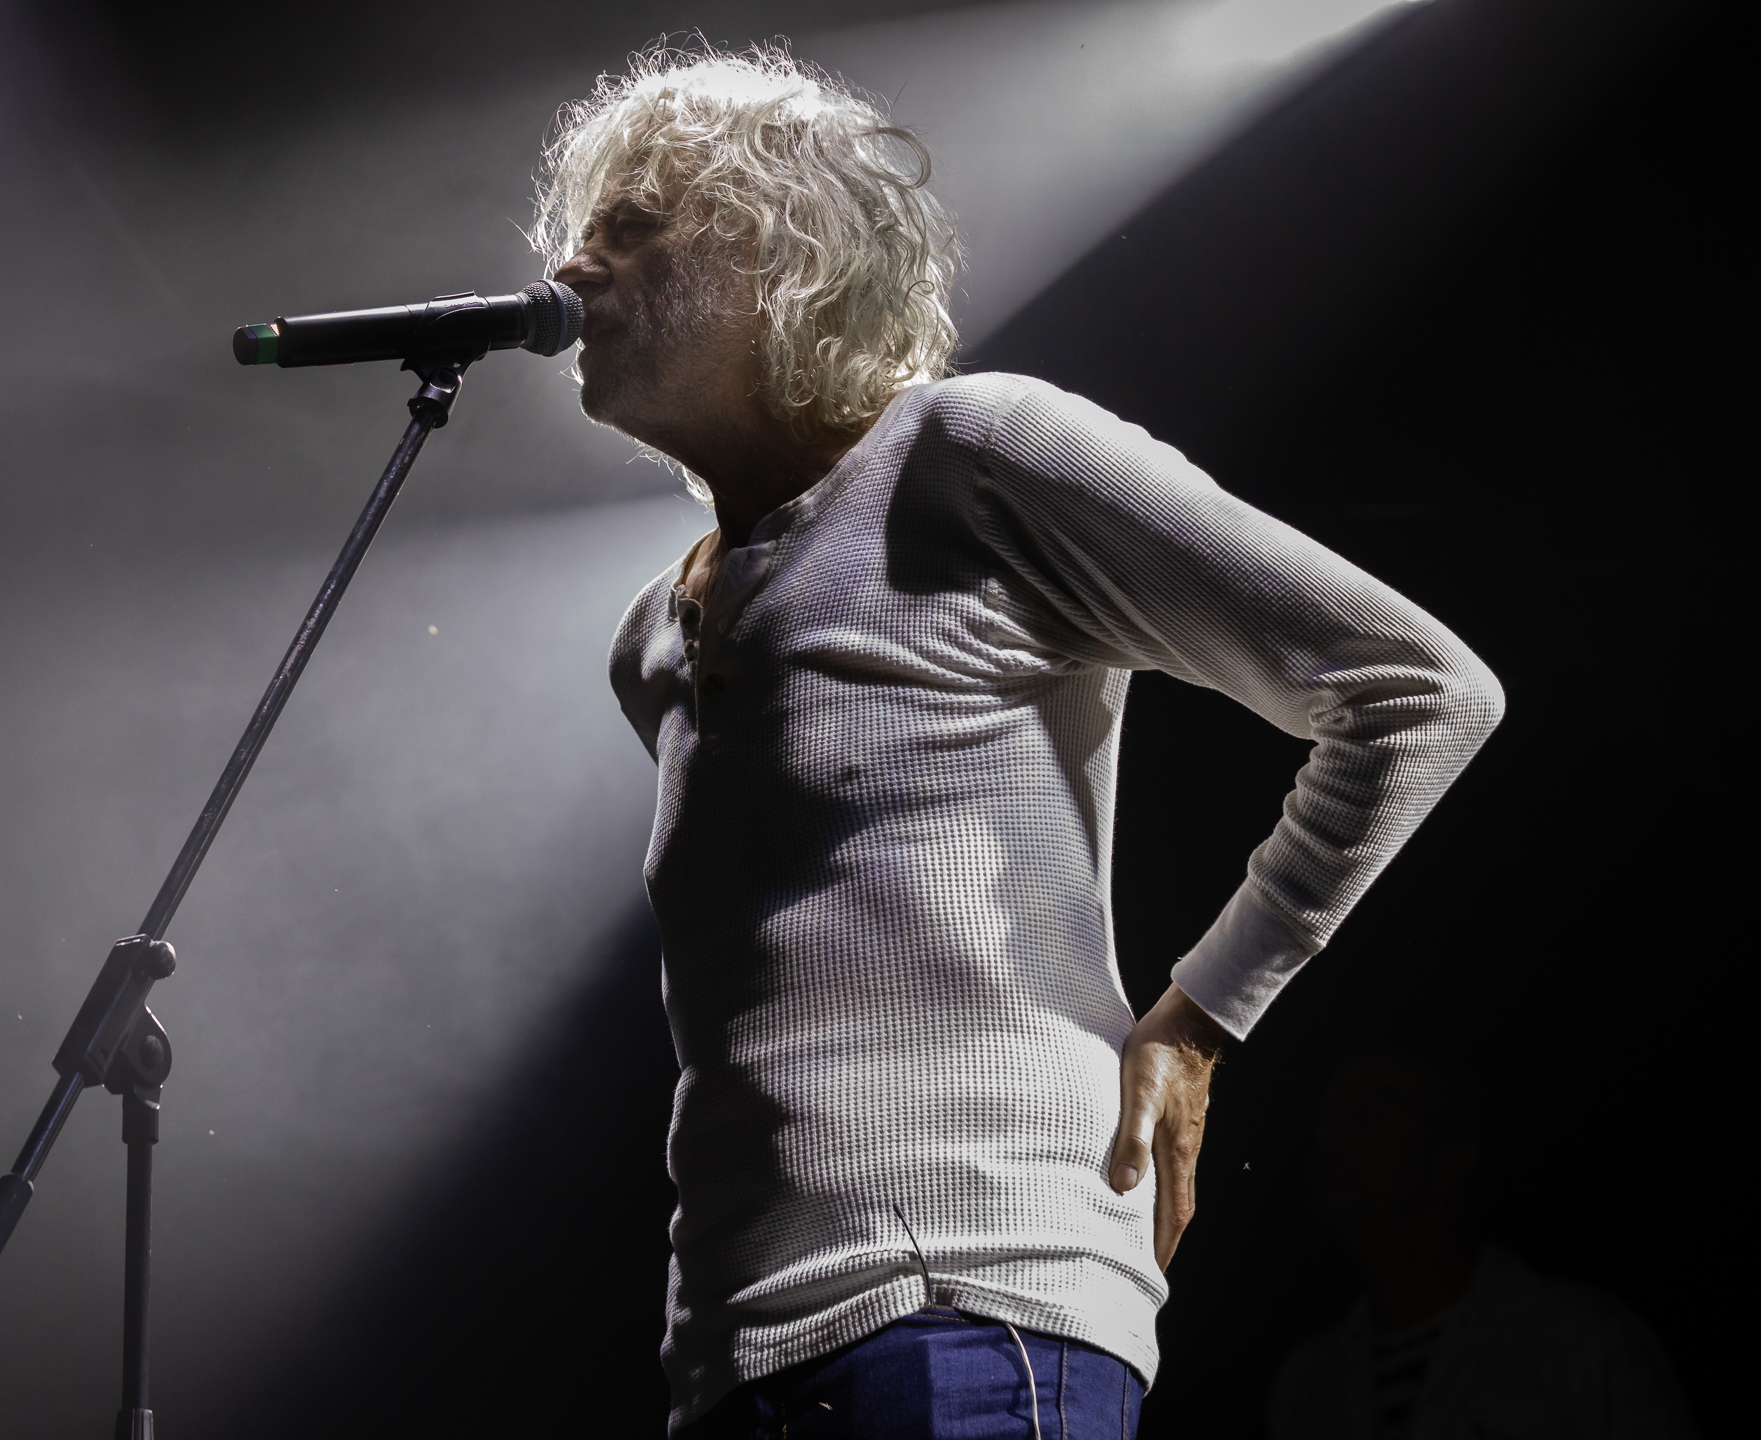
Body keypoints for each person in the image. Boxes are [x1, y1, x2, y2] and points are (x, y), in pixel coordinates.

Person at [535, 45, 1506, 1438]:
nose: (573, 268)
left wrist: (1201, 1017)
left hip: (969, 1306)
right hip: (733, 1363)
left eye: (628, 228)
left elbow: (1418, 688)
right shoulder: (653, 641)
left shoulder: (969, 455)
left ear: (777, 255)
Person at [1269, 1052, 1694, 1440]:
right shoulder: (1306, 1381)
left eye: (1369, 1112)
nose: (1327, 1136)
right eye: (1323, 1118)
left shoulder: (1581, 1342)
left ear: (1455, 1153)